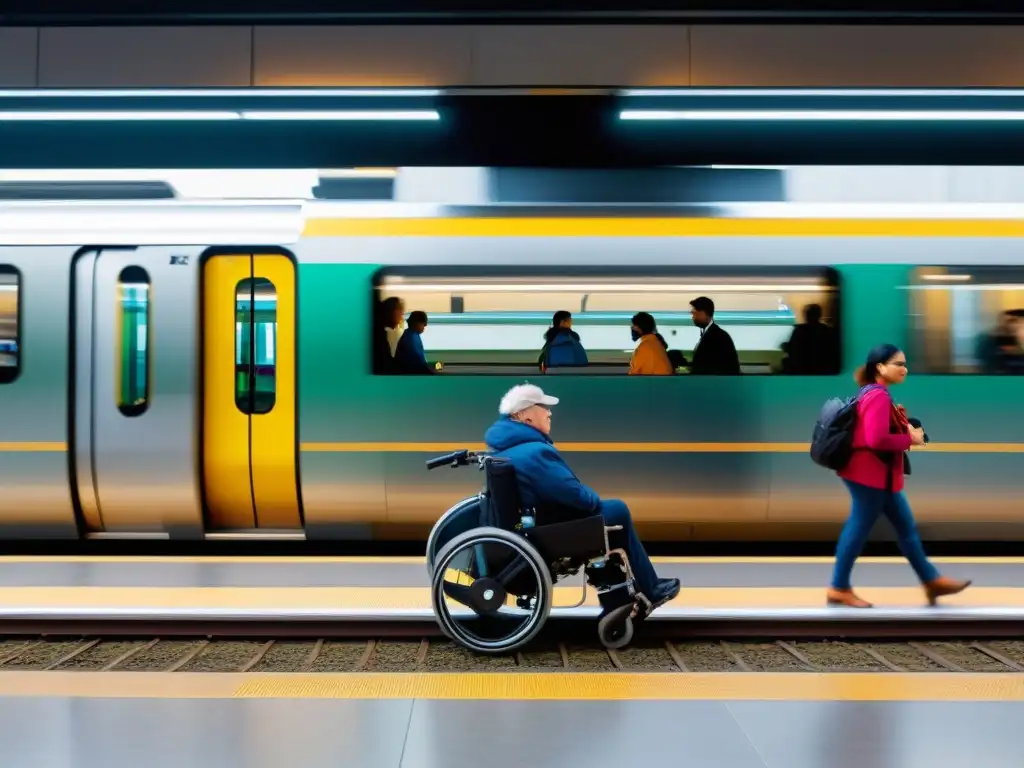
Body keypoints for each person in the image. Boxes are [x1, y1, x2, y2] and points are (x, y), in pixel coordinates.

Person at [483, 383, 681, 607]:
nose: (549, 413)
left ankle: (621, 595)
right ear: (524, 416)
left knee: (611, 512)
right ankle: (647, 588)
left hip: (536, 522)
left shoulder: (511, 448)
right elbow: (580, 499)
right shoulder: (534, 452)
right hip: (546, 528)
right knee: (617, 510)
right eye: (543, 407)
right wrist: (593, 497)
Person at [827, 344, 971, 608]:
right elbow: (875, 439)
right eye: (899, 364)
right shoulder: (878, 396)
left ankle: (931, 581)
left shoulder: (876, 394)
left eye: (905, 364)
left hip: (880, 476)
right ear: (880, 367)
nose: (905, 369)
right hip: (869, 475)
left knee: (905, 528)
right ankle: (838, 587)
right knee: (859, 529)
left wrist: (902, 425)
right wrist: (910, 439)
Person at [688, 296, 741, 375]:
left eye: (694, 313)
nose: (693, 317)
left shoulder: (718, 337)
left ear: (703, 313)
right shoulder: (715, 334)